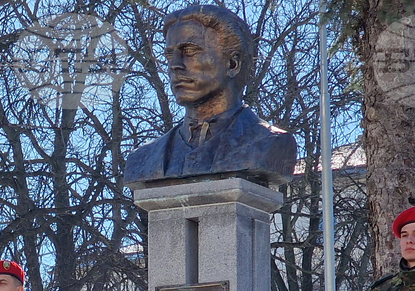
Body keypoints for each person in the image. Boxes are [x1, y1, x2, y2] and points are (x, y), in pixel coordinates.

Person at [123, 5, 295, 186]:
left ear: (232, 63)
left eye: (189, 51)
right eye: (169, 55)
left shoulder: (269, 143)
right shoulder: (143, 158)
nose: (174, 65)